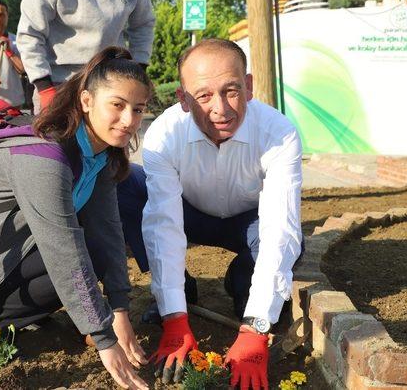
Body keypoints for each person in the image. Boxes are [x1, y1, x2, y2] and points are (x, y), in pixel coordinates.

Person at [0, 46, 152, 390]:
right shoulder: (43, 154)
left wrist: (119, 310)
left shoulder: (100, 155)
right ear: (87, 100)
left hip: (9, 253)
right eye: (117, 105)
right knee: (75, 257)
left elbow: (108, 233)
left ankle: (22, 315)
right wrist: (104, 338)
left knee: (96, 247)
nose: (128, 121)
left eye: (138, 110)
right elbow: (63, 250)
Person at [117, 38, 303, 388]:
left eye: (231, 90)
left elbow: (281, 228)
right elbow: (164, 224)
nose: (221, 108)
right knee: (124, 185)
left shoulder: (279, 133)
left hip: (248, 221)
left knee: (287, 248)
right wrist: (173, 314)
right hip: (189, 212)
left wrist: (256, 326)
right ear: (184, 100)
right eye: (203, 96)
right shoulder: (163, 135)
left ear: (248, 86)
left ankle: (242, 287)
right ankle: (180, 292)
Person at [17, 0, 155, 114]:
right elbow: (30, 35)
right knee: (55, 137)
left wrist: (138, 73)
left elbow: (143, 24)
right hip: (58, 83)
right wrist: (44, 88)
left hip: (113, 80)